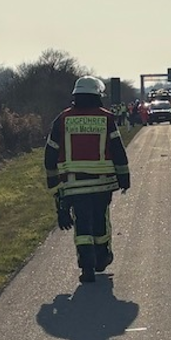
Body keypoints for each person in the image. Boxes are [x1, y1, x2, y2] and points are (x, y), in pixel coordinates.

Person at [45, 76, 131, 283]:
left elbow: (50, 154)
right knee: (100, 220)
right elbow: (118, 150)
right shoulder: (107, 118)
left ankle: (87, 267)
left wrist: (55, 189)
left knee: (82, 225)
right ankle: (102, 257)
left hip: (74, 185)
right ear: (97, 95)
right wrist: (124, 177)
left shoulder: (62, 119)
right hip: (102, 184)